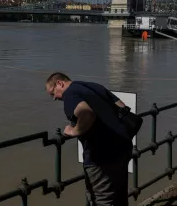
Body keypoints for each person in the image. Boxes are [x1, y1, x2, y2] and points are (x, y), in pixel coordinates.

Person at [45, 72, 133, 206]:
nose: (54, 98)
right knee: (120, 196)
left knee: (102, 200)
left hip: (101, 156)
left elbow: (86, 113)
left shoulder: (70, 94)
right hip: (122, 147)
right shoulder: (93, 86)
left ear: (60, 84)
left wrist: (74, 130)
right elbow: (122, 106)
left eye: (52, 93)